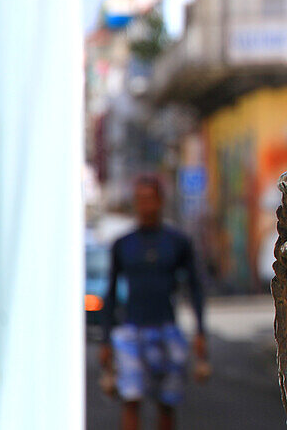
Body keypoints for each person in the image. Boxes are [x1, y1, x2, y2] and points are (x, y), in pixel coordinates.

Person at [99, 175, 208, 430]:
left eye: (150, 199)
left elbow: (195, 287)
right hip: (132, 329)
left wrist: (201, 331)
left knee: (167, 402)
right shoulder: (123, 245)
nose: (146, 205)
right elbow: (111, 293)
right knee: (130, 399)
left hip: (166, 328)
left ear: (160, 201)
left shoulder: (177, 242)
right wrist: (105, 340)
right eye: (140, 199)